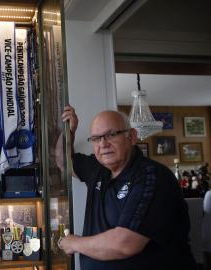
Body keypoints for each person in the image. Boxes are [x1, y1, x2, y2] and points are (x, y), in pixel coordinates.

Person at [57, 106, 196, 270]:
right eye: (96, 138)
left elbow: (125, 244)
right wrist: (69, 131)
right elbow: (62, 162)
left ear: (132, 137)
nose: (103, 143)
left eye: (111, 134)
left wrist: (74, 243)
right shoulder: (97, 168)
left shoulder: (152, 176)